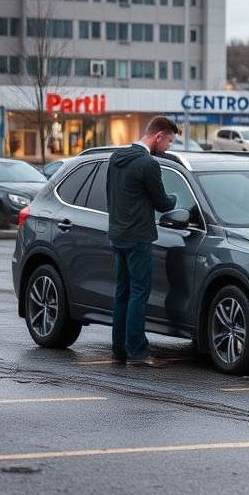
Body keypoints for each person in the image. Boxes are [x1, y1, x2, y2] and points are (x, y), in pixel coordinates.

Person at [106, 115, 179, 367]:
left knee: (122, 293)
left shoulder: (116, 158)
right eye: (169, 141)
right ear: (158, 136)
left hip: (118, 235)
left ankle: (119, 350)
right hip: (138, 237)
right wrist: (175, 199)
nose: (168, 147)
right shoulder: (147, 164)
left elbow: (111, 197)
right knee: (139, 293)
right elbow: (162, 203)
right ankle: (137, 352)